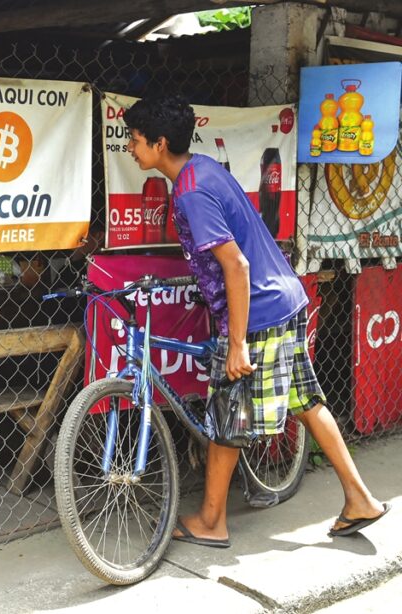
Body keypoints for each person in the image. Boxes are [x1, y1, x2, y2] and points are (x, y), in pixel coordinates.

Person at [123, 95, 389, 547]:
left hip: (259, 310)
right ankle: (359, 498)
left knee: (228, 413)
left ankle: (211, 521)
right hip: (284, 298)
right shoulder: (200, 168)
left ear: (159, 143)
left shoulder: (190, 192)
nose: (130, 147)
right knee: (306, 402)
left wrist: (237, 342)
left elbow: (237, 267)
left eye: (134, 139)